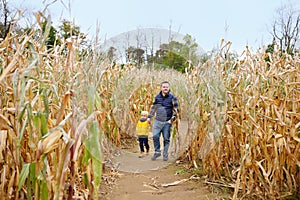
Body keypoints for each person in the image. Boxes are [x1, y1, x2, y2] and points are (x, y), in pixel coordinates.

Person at [147, 81, 179, 161]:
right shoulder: (157, 97)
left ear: (169, 88)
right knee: (155, 136)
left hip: (167, 122)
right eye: (164, 87)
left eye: (167, 87)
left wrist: (171, 120)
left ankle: (165, 154)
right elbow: (154, 108)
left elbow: (176, 110)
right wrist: (149, 117)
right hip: (158, 121)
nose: (165, 88)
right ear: (161, 88)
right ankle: (157, 152)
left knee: (166, 139)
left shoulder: (173, 98)